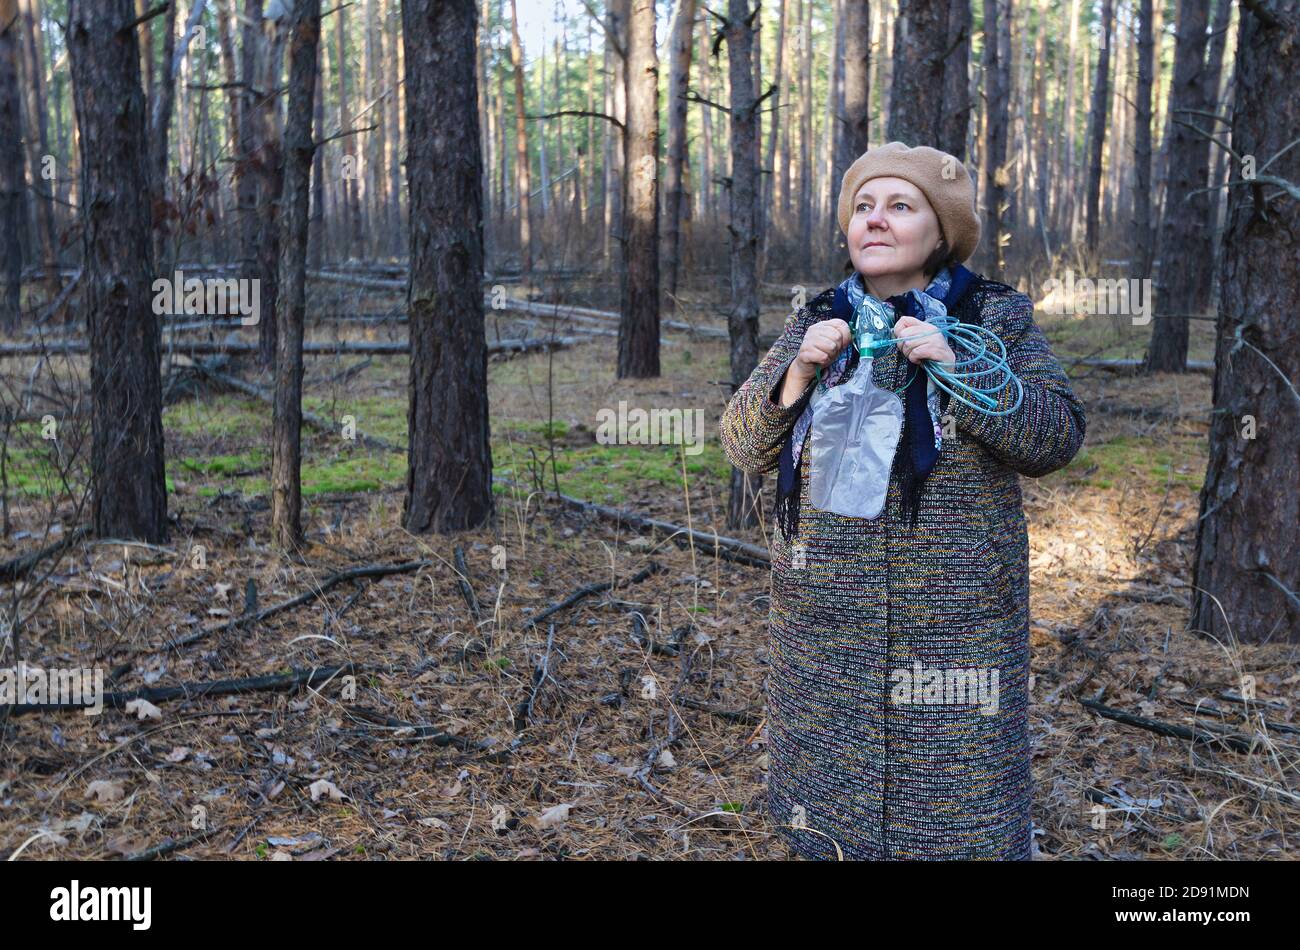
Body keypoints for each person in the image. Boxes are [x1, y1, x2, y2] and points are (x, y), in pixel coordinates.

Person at [718, 141, 1087, 860]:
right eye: (862, 207)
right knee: (827, 826)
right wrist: (796, 374)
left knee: (954, 820)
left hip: (953, 629)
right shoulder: (820, 319)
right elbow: (741, 446)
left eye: (899, 205)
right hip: (825, 633)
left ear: (941, 230)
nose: (875, 221)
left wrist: (959, 366)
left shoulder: (993, 320)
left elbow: (1057, 438)